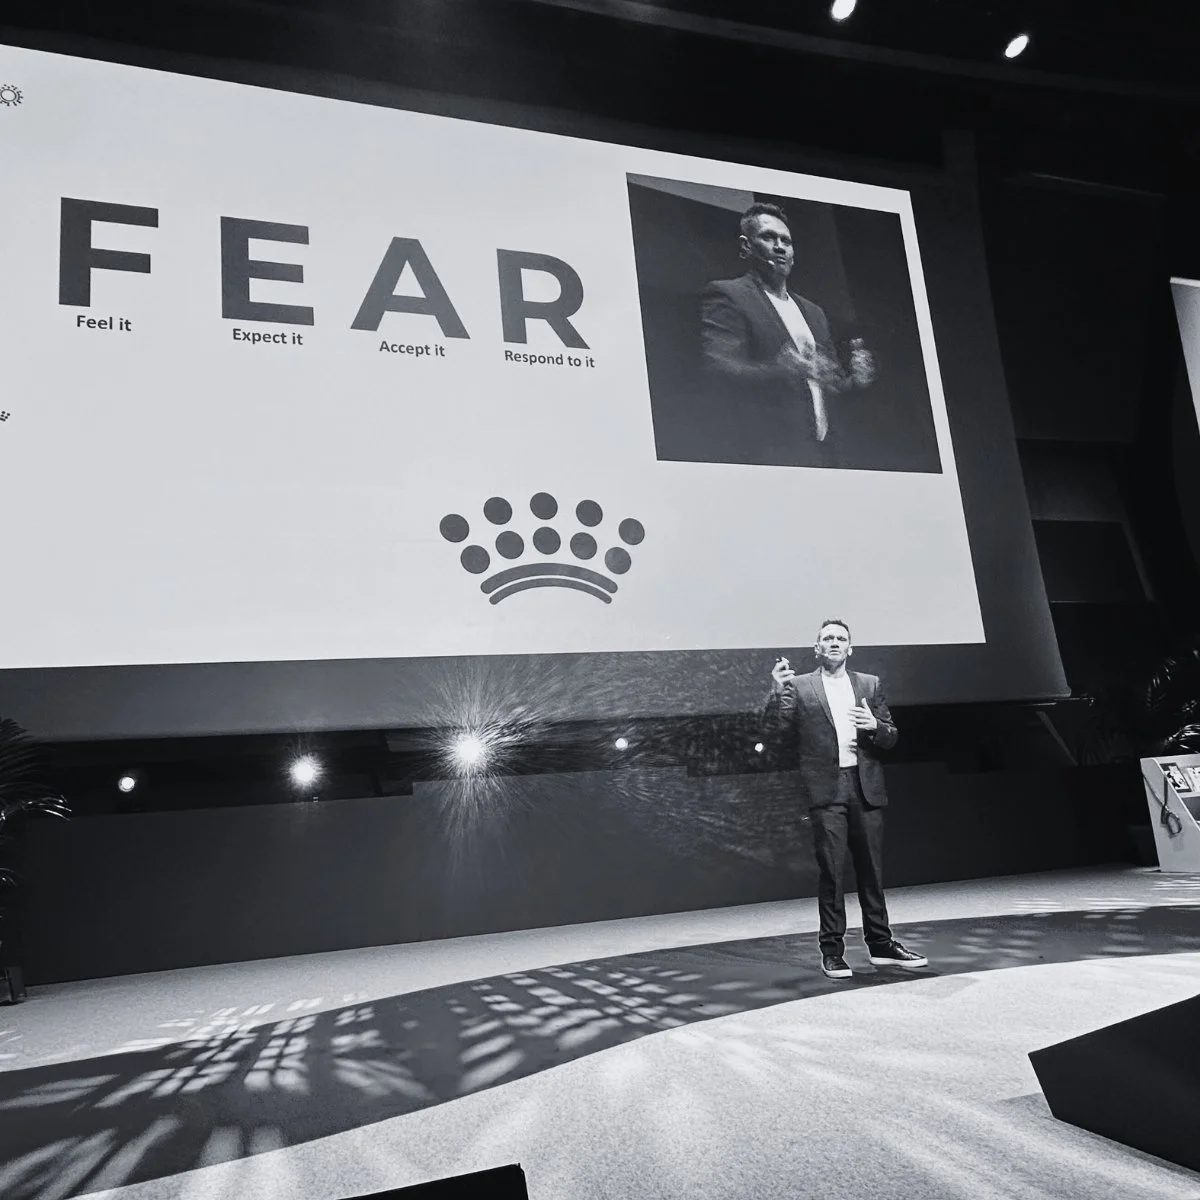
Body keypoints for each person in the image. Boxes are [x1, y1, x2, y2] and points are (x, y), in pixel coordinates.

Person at [762, 619, 928, 979]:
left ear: (850, 648)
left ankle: (881, 945)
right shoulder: (800, 686)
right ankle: (833, 951)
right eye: (828, 638)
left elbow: (891, 737)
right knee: (833, 873)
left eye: (841, 638)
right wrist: (776, 692)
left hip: (864, 785)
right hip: (827, 789)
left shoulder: (869, 684)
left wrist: (875, 728)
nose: (834, 643)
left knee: (872, 871)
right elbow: (775, 733)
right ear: (817, 647)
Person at [700, 203, 876, 465]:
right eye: (768, 237)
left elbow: (829, 382)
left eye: (786, 241)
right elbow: (718, 368)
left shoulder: (813, 312)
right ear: (746, 246)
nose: (780, 247)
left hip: (825, 452)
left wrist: (855, 380)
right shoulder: (729, 295)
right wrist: (777, 369)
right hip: (770, 452)